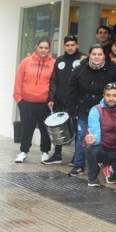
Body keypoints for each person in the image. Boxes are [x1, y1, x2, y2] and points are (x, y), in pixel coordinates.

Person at [66, 44, 116, 176]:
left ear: (104, 56)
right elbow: (71, 90)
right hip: (83, 109)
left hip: (105, 111)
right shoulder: (79, 69)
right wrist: (71, 110)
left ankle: (103, 164)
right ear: (89, 55)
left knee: (104, 137)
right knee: (81, 137)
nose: (96, 57)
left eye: (100, 54)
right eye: (94, 54)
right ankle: (79, 165)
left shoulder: (113, 70)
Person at [13, 39, 56, 164]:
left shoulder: (53, 63)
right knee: (27, 128)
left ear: (49, 49)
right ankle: (23, 152)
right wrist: (18, 99)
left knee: (45, 129)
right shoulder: (26, 61)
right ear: (36, 47)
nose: (43, 50)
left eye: (46, 48)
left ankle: (45, 152)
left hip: (44, 103)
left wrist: (52, 100)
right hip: (26, 102)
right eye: (41, 47)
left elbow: (54, 83)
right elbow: (18, 80)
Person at [46, 34, 85, 165]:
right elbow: (54, 81)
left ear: (77, 45)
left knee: (76, 129)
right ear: (64, 46)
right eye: (67, 45)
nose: (70, 48)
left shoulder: (83, 59)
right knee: (57, 128)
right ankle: (57, 154)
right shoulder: (59, 60)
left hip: (76, 102)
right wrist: (51, 98)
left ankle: (77, 156)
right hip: (60, 100)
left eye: (72, 45)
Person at [84, 82, 116, 187]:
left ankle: (112, 169)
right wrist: (92, 139)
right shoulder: (96, 110)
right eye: (108, 95)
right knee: (91, 148)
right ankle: (93, 179)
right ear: (103, 96)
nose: (111, 98)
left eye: (114, 95)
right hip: (103, 149)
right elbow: (96, 136)